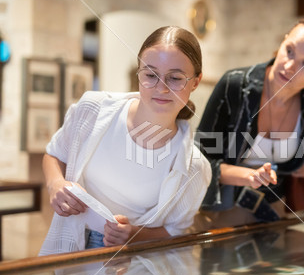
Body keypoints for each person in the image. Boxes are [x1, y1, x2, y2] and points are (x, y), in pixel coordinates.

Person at [39, 26, 211, 255]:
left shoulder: (194, 167)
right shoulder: (93, 108)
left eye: (175, 78)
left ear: (195, 82)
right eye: (150, 75)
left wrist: (133, 234)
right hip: (68, 248)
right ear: (138, 73)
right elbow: (54, 154)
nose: (161, 88)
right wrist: (55, 184)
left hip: (133, 269)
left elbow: (176, 230)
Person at [194, 5, 304, 228]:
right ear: (283, 40)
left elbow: (303, 147)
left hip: (273, 214)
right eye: (289, 50)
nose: (289, 66)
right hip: (220, 212)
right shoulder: (236, 85)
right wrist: (249, 176)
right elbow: (199, 161)